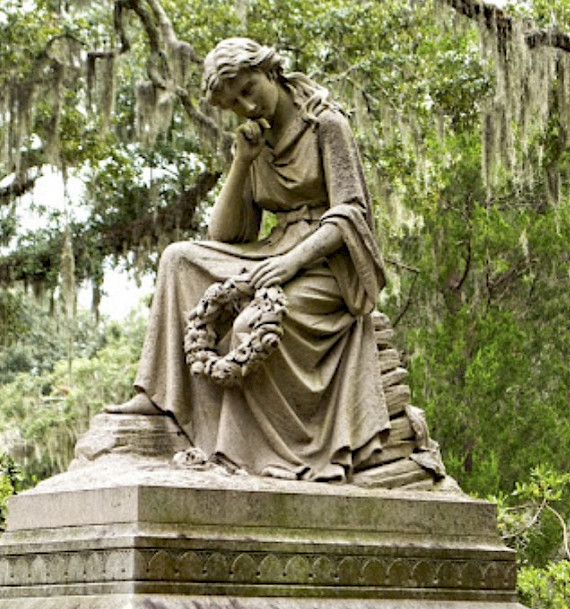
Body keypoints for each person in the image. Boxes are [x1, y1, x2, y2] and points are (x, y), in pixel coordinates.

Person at [108, 37, 389, 481]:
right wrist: (243, 161)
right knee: (178, 258)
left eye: (248, 89)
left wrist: (294, 262)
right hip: (273, 250)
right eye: (233, 102)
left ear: (270, 71)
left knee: (247, 328)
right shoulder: (256, 139)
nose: (245, 105)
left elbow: (352, 213)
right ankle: (158, 395)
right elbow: (226, 234)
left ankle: (258, 454)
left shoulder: (325, 124)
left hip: (326, 263)